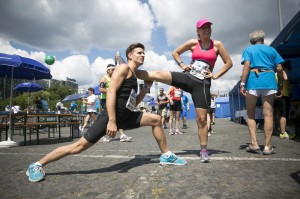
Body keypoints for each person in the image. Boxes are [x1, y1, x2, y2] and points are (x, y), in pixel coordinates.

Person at [26, 43, 186, 182]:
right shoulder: (123, 68)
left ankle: (166, 155)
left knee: (156, 119)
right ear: (130, 55)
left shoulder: (135, 76)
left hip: (127, 116)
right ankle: (37, 165)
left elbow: (133, 103)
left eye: (144, 53)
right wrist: (111, 120)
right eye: (139, 52)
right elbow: (110, 92)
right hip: (111, 117)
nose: (143, 55)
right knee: (78, 147)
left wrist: (145, 88)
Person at [136, 19, 232, 163]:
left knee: (201, 120)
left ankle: (204, 150)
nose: (207, 29)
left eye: (209, 27)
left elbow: (229, 63)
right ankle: (129, 70)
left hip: (203, 84)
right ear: (198, 31)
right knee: (160, 74)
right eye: (203, 28)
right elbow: (175, 52)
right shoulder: (193, 43)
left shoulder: (217, 45)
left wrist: (216, 75)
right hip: (188, 77)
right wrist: (182, 64)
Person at [240, 29, 284, 155]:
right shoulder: (271, 50)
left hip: (253, 82)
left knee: (250, 114)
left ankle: (254, 144)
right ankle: (268, 147)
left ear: (252, 41)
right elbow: (280, 69)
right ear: (263, 39)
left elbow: (246, 66)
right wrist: (280, 85)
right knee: (268, 114)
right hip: (270, 81)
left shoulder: (248, 50)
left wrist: (242, 84)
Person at [99, 64, 132, 142]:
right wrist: (112, 91)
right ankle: (101, 136)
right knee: (106, 118)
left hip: (113, 99)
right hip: (105, 100)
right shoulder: (104, 78)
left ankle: (122, 135)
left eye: (115, 69)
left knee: (118, 116)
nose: (114, 71)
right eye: (112, 70)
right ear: (108, 70)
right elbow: (101, 89)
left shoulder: (114, 78)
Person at [274, 61, 294, 139]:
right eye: (288, 70)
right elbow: (285, 78)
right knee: (283, 115)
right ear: (285, 68)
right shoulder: (281, 73)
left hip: (276, 96)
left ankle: (279, 130)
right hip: (283, 96)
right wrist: (283, 71)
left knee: (278, 114)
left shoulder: (274, 74)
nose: (288, 72)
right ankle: (283, 132)